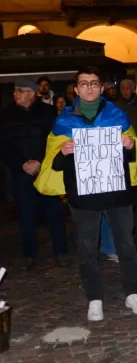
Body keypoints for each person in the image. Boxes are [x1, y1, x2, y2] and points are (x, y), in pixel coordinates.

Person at [35, 66, 137, 321]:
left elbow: (131, 157)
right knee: (87, 248)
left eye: (94, 83)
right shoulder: (63, 121)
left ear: (102, 87)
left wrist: (130, 146)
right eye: (84, 83)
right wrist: (62, 153)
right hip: (83, 196)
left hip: (117, 193)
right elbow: (53, 163)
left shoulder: (118, 115)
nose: (89, 87)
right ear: (76, 89)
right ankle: (94, 297)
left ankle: (132, 292)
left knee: (126, 245)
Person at [0, 78, 68, 271]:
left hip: (45, 170)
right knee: (25, 214)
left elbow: (54, 141)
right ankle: (28, 254)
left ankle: (60, 251)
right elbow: (3, 146)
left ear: (31, 92)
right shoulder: (6, 114)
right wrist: (22, 164)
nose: (15, 94)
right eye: (14, 91)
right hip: (21, 172)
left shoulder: (48, 112)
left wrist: (39, 161)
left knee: (54, 212)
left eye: (19, 90)